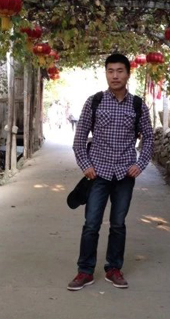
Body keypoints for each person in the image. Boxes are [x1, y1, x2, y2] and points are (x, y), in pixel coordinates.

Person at [68, 53, 154, 291]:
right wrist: (86, 166)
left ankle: (113, 268)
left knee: (118, 224)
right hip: (98, 174)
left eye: (120, 71)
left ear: (128, 74)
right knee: (91, 224)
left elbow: (148, 138)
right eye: (110, 71)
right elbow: (79, 139)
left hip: (125, 174)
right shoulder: (94, 102)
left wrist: (140, 164)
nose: (115, 76)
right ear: (106, 73)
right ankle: (85, 271)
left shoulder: (138, 105)